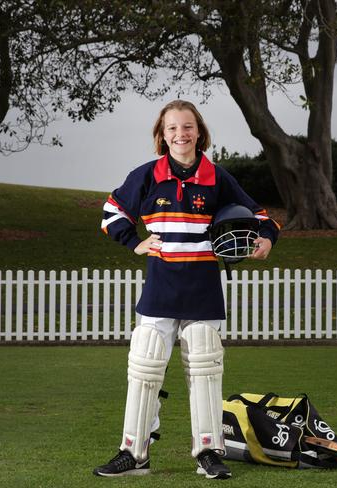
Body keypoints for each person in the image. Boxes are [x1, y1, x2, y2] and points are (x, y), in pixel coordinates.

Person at [94, 100, 280, 479]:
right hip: (160, 290)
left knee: (206, 369)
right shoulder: (146, 176)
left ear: (200, 131)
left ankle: (209, 454)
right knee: (145, 368)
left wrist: (266, 239)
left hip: (202, 291)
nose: (182, 134)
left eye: (188, 126)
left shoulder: (217, 177)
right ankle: (133, 454)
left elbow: (260, 217)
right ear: (162, 135)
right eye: (174, 128)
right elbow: (111, 213)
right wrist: (135, 242)